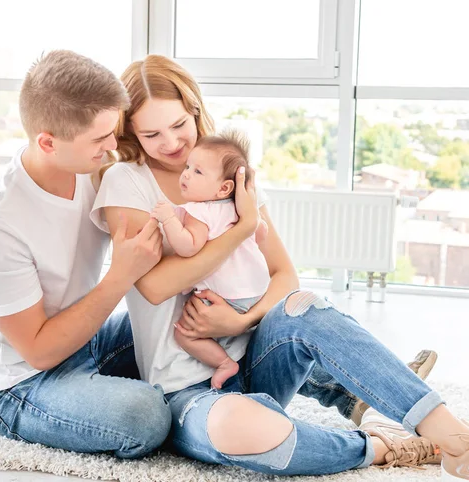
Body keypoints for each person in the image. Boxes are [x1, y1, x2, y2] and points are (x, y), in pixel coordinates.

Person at [90, 54, 469, 478]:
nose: (172, 143)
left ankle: (453, 438)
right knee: (244, 432)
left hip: (256, 357)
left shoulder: (227, 172)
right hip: (186, 389)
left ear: (195, 109)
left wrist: (241, 321)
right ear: (131, 133)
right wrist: (242, 226)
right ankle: (380, 445)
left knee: (307, 305)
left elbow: (285, 276)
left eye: (179, 124)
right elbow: (156, 287)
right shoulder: (125, 181)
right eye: (151, 133)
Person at [0, 50, 172, 458]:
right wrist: (119, 276)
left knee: (188, 321)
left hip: (88, 340)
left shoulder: (94, 169)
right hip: (24, 383)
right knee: (145, 416)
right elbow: (39, 351)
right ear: (47, 142)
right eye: (99, 138)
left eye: (114, 131)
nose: (113, 146)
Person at [150, 130, 270, 389]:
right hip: (256, 292)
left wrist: (169, 219)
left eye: (197, 172)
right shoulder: (240, 208)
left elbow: (188, 247)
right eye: (188, 167)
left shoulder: (197, 210)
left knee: (184, 334)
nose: (186, 174)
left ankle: (225, 363)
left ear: (224, 187)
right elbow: (261, 234)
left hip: (225, 297)